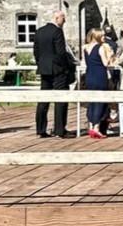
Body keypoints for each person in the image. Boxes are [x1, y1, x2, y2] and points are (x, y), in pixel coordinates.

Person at [33, 10, 73, 139]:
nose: (64, 21)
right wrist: (66, 67)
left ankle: (40, 129)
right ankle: (60, 130)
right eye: (63, 18)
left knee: (43, 99)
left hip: (44, 69)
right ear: (57, 18)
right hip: (57, 70)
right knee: (60, 99)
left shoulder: (39, 31)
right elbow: (60, 53)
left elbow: (36, 52)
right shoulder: (57, 31)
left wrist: (41, 64)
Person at [82, 29, 113, 139]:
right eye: (103, 35)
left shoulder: (85, 48)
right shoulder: (100, 48)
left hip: (90, 75)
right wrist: (110, 56)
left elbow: (86, 63)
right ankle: (96, 127)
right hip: (100, 76)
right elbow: (105, 63)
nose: (104, 37)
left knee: (92, 101)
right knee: (101, 101)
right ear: (97, 36)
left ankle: (91, 125)